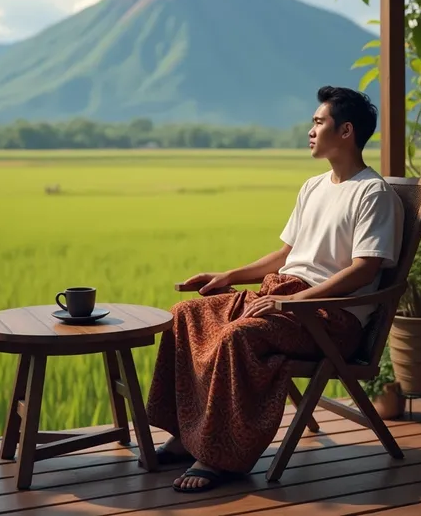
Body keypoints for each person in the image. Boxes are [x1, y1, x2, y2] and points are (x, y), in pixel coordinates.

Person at [146, 85, 405, 494]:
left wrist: (295, 300)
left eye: (319, 122)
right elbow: (287, 254)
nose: (310, 129)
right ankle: (184, 434)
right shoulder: (313, 186)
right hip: (286, 299)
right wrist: (229, 276)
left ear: (346, 131)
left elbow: (364, 268)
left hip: (329, 318)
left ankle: (219, 455)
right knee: (186, 315)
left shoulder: (373, 193)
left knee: (237, 337)